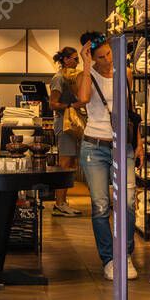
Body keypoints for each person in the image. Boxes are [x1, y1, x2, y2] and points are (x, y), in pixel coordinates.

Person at [75, 33, 143, 281]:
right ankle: (109, 259)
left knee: (127, 202)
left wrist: (139, 141)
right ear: (91, 57)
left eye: (109, 53)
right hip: (94, 145)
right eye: (100, 56)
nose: (106, 60)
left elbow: (131, 111)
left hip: (122, 144)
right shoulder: (86, 76)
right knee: (101, 206)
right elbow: (82, 99)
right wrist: (85, 67)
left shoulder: (125, 73)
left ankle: (125, 255)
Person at [49, 46, 84, 217]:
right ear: (65, 60)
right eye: (74, 59)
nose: (77, 62)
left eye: (78, 59)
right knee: (64, 164)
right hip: (64, 124)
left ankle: (62, 202)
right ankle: (59, 204)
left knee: (70, 164)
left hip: (71, 124)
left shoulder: (71, 78)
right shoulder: (59, 79)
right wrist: (71, 106)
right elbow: (53, 103)